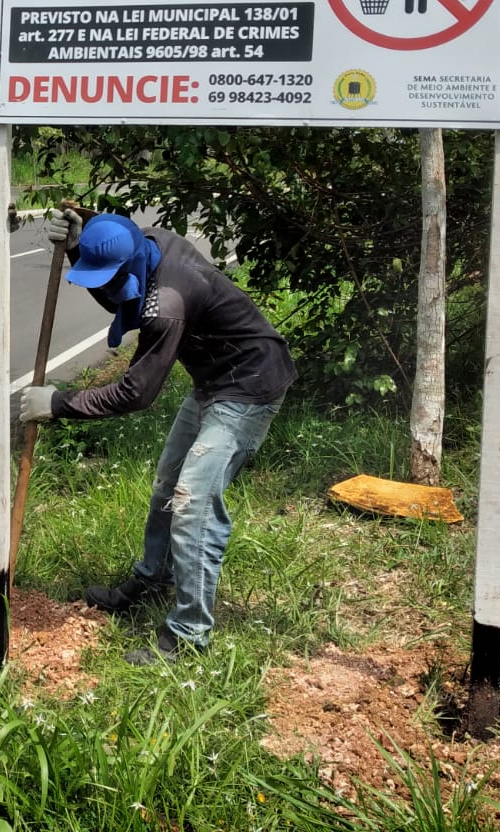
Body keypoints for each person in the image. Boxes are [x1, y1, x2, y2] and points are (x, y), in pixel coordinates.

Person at [18, 209, 296, 665]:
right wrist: (75, 246)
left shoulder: (170, 300)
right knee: (167, 484)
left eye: (110, 280)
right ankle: (153, 577)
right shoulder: (146, 243)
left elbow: (136, 392)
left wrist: (58, 404)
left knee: (194, 502)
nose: (105, 291)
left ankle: (189, 634)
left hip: (248, 386)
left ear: (131, 267)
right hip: (213, 379)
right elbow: (119, 281)